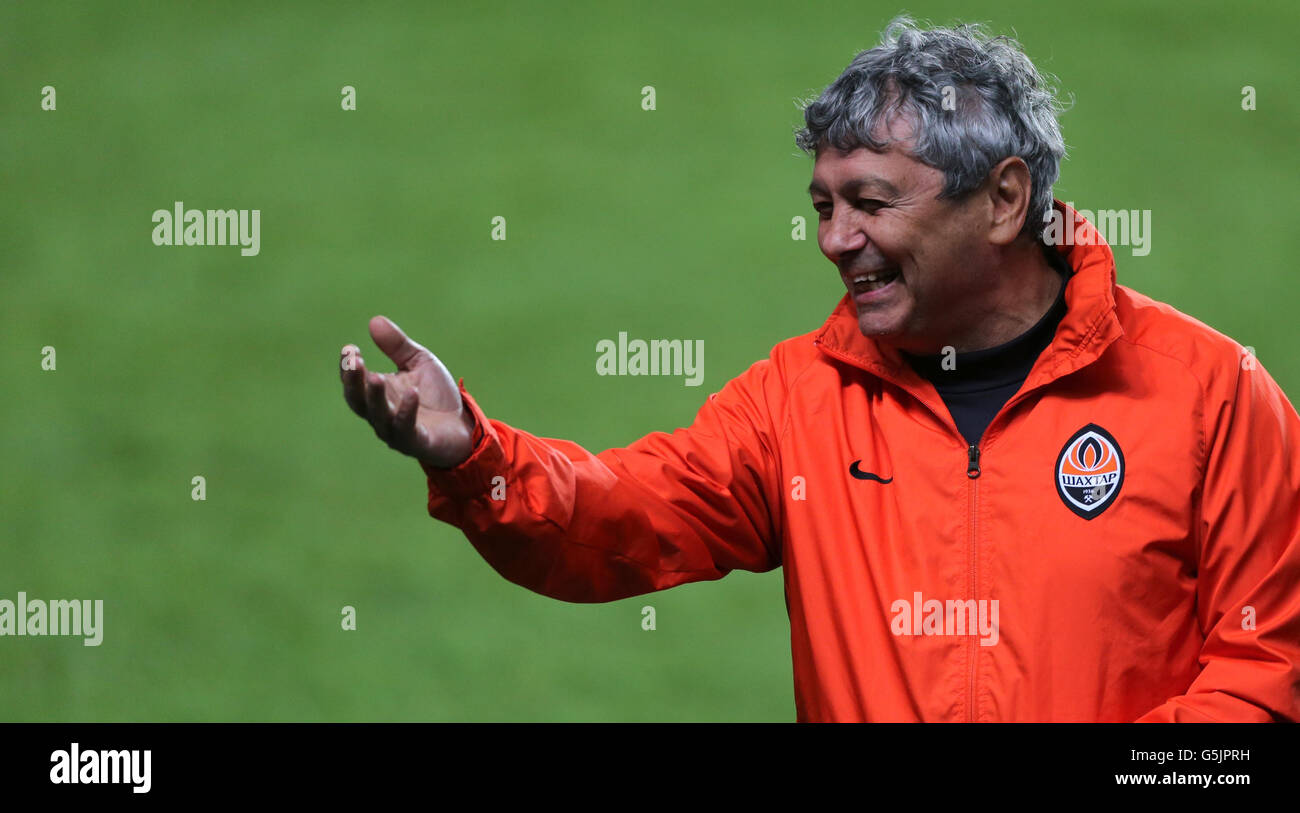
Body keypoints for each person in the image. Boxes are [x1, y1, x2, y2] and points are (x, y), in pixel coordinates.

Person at [339, 17, 1300, 721]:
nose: (837, 242)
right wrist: (475, 455)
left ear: (1004, 200)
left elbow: (1269, 674)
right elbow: (622, 519)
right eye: (821, 206)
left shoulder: (1209, 393)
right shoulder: (799, 402)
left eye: (870, 203)